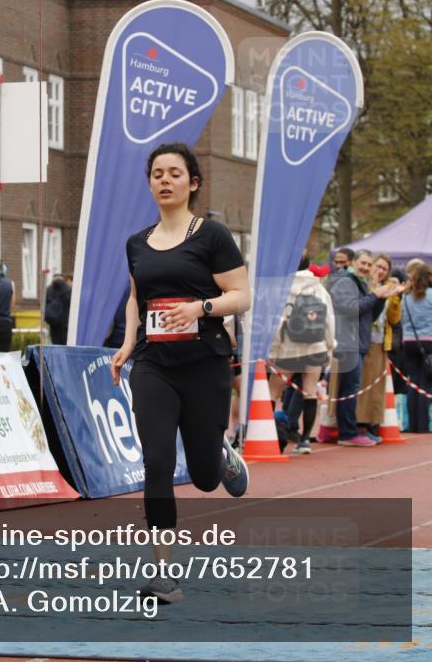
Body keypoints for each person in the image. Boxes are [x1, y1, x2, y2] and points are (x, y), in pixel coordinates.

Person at [111, 142, 251, 604]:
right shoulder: (137, 243)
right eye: (157, 173)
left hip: (204, 361)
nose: (165, 180)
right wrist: (129, 343)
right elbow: (137, 299)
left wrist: (199, 307)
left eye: (174, 173)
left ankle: (221, 453)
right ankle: (164, 573)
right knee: (156, 461)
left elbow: (241, 295)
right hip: (154, 365)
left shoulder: (212, 236)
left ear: (193, 183)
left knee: (206, 476)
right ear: (150, 183)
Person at [329, 249, 400, 447]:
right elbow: (352, 309)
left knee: (350, 388)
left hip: (358, 342)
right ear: (354, 262)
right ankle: (347, 433)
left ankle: (347, 431)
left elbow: (370, 315)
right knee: (348, 389)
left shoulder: (361, 284)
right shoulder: (346, 281)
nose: (367, 268)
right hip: (347, 342)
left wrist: (381, 298)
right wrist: (375, 295)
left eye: (370, 265)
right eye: (364, 263)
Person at [268, 253, 336, 453]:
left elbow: (278, 320)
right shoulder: (319, 288)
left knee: (273, 392)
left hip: (287, 348)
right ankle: (304, 441)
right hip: (315, 346)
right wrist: (329, 346)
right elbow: (329, 321)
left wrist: (273, 348)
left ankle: (269, 435)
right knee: (310, 392)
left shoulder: (282, 288)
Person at [356, 253, 394, 439]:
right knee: (362, 383)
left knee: (376, 386)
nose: (380, 271)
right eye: (377, 266)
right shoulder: (363, 286)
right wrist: (376, 293)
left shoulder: (387, 288)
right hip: (364, 340)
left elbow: (394, 318)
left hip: (381, 341)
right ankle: (361, 423)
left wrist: (394, 299)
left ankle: (373, 422)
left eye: (384, 269)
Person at [401, 262, 432, 433]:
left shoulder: (406, 297)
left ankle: (412, 424)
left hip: (409, 341)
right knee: (426, 383)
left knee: (413, 382)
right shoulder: (431, 295)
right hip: (428, 341)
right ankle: (423, 425)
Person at [45, 273, 72, 345]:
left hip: (53, 325)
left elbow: (45, 306)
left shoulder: (49, 290)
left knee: (56, 347)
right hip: (65, 326)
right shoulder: (68, 290)